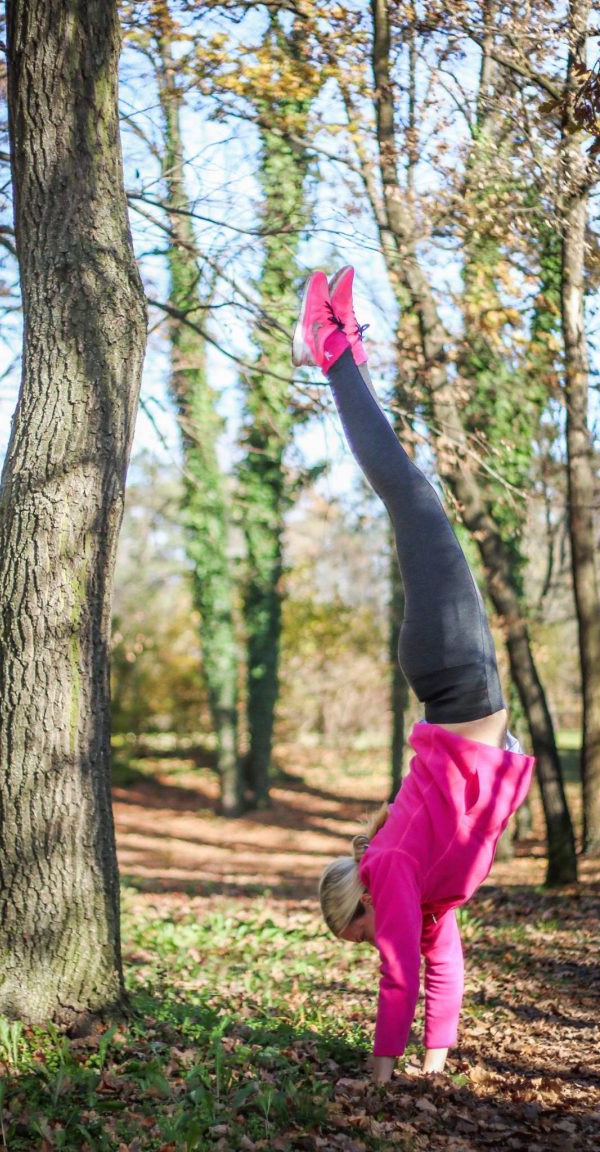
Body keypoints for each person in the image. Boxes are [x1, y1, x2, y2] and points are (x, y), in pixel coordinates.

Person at [292, 269, 535, 1083]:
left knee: (413, 498)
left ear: (359, 904)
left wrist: (381, 1067)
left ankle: (332, 353)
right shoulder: (426, 895)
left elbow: (399, 970)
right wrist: (434, 1059)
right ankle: (343, 352)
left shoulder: (390, 873)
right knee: (415, 500)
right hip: (470, 686)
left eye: (357, 934)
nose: (371, 944)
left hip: (452, 676)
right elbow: (436, 966)